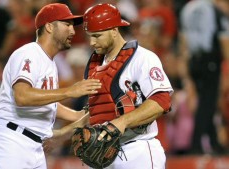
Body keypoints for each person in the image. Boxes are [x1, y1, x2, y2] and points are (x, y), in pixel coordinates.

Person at [51, 3, 174, 169]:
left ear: (114, 30)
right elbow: (100, 111)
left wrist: (122, 122)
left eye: (97, 36)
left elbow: (162, 100)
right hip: (103, 155)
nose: (92, 42)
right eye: (89, 36)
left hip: (137, 150)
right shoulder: (96, 64)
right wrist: (65, 133)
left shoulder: (142, 58)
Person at [0, 3, 102, 169]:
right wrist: (69, 91)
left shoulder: (49, 62)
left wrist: (78, 116)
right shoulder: (29, 53)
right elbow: (22, 97)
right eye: (67, 25)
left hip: (35, 146)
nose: (73, 31)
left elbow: (45, 101)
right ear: (49, 27)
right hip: (10, 141)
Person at [180, 0, 229, 154]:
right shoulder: (215, 10)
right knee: (208, 103)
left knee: (206, 103)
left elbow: (183, 39)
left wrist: (186, 70)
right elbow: (224, 41)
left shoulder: (187, 8)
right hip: (210, 61)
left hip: (193, 60)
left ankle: (215, 144)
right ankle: (196, 143)